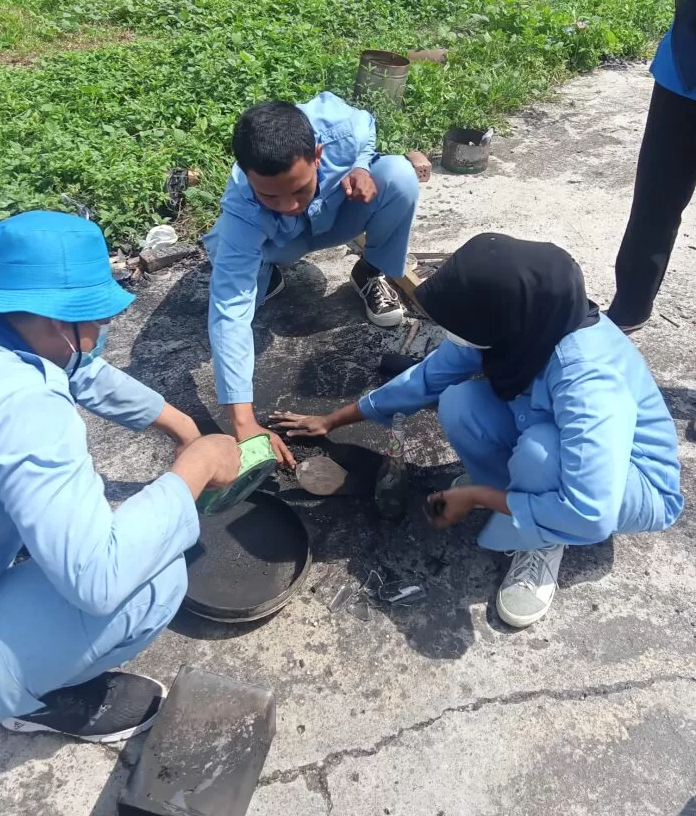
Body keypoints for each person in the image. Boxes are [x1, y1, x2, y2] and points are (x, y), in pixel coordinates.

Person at [272, 234, 682, 628]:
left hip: (630, 482)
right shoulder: (527, 320)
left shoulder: (587, 378)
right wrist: (334, 419)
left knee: (542, 454)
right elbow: (426, 379)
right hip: (560, 438)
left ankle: (540, 540)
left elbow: (592, 513)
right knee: (459, 401)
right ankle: (521, 494)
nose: (453, 335)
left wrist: (476, 496)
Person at [0, 211, 241, 741]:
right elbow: (97, 578)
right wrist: (193, 469)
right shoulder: (26, 407)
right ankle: (24, 699)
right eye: (97, 318)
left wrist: (183, 426)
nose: (104, 329)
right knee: (154, 579)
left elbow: (83, 371)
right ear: (60, 322)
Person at [205, 92, 421, 466]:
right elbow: (228, 311)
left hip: (335, 219)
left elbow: (367, 128)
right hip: (280, 244)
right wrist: (243, 422)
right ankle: (266, 275)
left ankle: (369, 271)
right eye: (269, 195)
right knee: (225, 251)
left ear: (318, 155)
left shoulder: (341, 127)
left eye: (299, 188)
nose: (289, 205)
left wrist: (362, 167)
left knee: (400, 176)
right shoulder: (242, 204)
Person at [609, 0, 696, 332]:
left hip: (684, 71)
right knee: (656, 202)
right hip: (686, 72)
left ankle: (629, 309)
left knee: (656, 202)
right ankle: (629, 308)